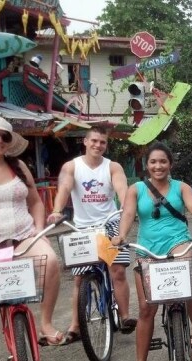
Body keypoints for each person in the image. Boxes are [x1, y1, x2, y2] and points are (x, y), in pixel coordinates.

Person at [111, 142, 192, 361]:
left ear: (170, 164)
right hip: (147, 247)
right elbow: (127, 215)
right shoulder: (135, 189)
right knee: (146, 309)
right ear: (146, 165)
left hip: (177, 242)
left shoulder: (181, 187)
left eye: (163, 161)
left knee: (188, 274)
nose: (158, 166)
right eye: (153, 162)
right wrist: (122, 235)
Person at [48, 126, 136, 344]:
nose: (98, 145)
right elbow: (64, 189)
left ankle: (125, 316)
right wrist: (57, 211)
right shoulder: (72, 166)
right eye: (94, 141)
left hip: (109, 223)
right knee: (79, 278)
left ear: (106, 145)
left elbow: (122, 189)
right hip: (82, 228)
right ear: (85, 142)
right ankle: (76, 325)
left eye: (102, 142)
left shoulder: (112, 167)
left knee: (117, 271)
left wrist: (127, 208)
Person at [0, 117, 64, 350]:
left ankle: (46, 323)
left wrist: (40, 231)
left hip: (23, 236)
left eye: (5, 136)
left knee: (51, 261)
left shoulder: (18, 167)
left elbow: (35, 202)